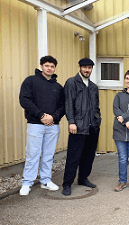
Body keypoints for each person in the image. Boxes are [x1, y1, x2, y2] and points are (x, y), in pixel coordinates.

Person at [19, 55, 65, 195]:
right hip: (35, 124)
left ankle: (46, 180)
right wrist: (41, 115)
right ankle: (27, 183)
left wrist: (54, 117)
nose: (49, 68)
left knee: (49, 155)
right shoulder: (30, 81)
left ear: (54, 68)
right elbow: (24, 100)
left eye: (52, 66)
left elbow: (63, 106)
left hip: (53, 125)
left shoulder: (58, 87)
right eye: (47, 65)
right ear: (41, 66)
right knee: (33, 154)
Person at [62, 58, 101, 196]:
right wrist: (71, 122)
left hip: (92, 127)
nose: (87, 70)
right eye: (84, 67)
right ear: (79, 67)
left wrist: (97, 121)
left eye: (89, 68)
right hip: (77, 127)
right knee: (74, 156)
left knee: (88, 156)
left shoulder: (93, 86)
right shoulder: (72, 82)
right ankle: (67, 184)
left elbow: (96, 107)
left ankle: (83, 178)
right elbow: (68, 104)